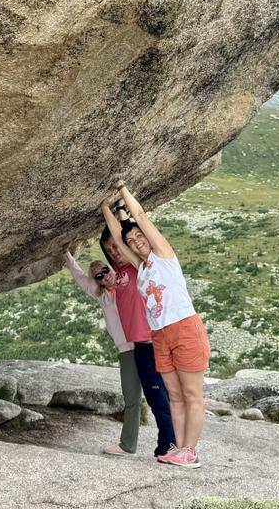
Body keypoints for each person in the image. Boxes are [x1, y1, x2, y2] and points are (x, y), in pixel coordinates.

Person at [108, 180, 211, 469]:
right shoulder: (141, 269)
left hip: (184, 328)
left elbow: (139, 217)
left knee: (192, 395)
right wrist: (105, 208)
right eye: (133, 242)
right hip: (159, 335)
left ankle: (190, 451)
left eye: (140, 237)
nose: (137, 242)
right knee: (175, 397)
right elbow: (118, 238)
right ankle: (178, 449)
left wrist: (122, 190)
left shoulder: (164, 256)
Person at [96, 195, 177, 460]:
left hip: (150, 341)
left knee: (158, 397)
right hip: (138, 345)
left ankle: (170, 445)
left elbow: (125, 237)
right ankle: (167, 444)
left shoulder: (135, 265)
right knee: (155, 398)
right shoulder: (116, 274)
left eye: (116, 246)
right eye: (110, 249)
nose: (115, 251)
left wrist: (115, 210)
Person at [64, 248, 144, 456]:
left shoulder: (128, 282)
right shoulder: (104, 297)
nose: (103, 276)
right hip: (127, 351)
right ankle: (128, 445)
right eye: (98, 276)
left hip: (145, 344)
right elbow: (81, 278)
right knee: (132, 399)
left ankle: (176, 444)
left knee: (163, 394)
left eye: (105, 270)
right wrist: (66, 254)